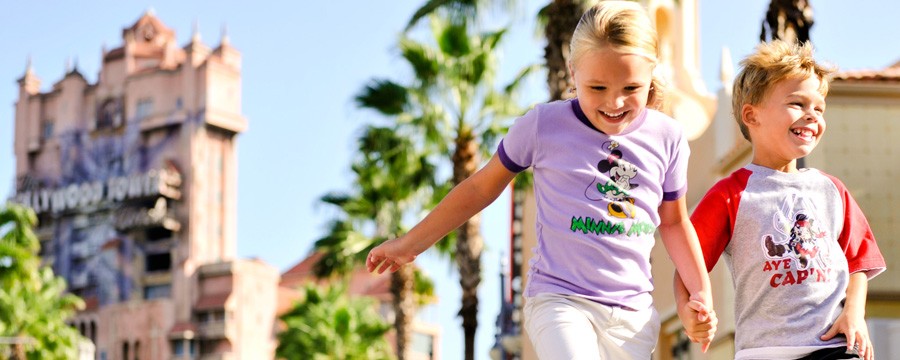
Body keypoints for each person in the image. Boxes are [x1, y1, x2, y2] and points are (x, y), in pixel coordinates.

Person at [367, 1, 715, 358]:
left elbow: (674, 222)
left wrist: (700, 292)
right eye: (597, 88)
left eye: (631, 88)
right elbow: (479, 188)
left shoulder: (668, 137)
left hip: (631, 316)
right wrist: (410, 244)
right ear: (572, 71)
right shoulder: (543, 126)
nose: (615, 102)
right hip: (560, 300)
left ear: (651, 74)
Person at [677, 40, 886, 360]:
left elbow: (859, 261)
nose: (811, 115)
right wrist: (688, 310)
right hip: (763, 351)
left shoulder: (832, 190)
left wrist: (854, 314)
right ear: (752, 115)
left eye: (819, 108)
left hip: (831, 345)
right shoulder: (730, 194)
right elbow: (687, 261)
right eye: (797, 104)